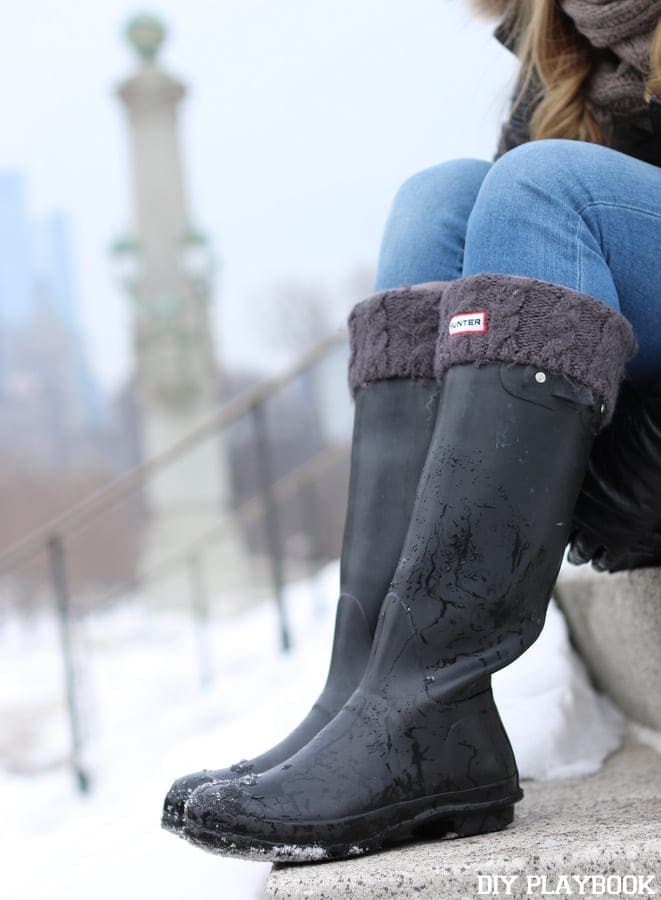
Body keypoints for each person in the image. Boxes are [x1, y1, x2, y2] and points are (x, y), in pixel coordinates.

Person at [162, 0, 661, 861]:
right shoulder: (564, 29)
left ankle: (425, 702)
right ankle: (374, 692)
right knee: (440, 201)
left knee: (543, 184)